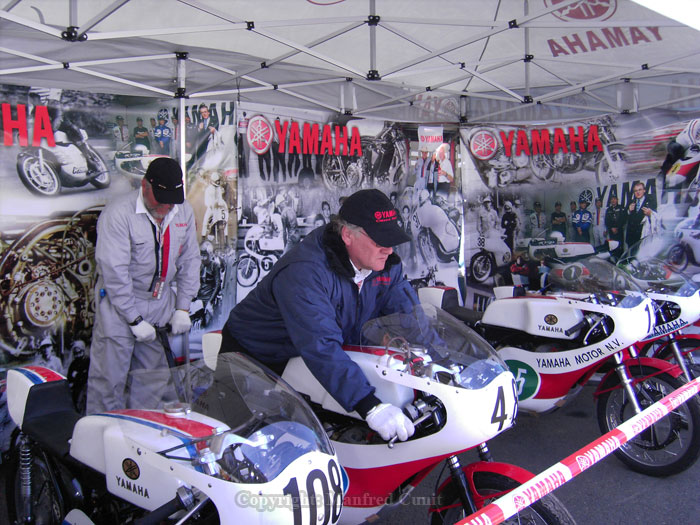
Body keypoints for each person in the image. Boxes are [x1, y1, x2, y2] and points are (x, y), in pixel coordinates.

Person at [221, 189, 416, 443]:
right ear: (347, 235)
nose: (388, 250)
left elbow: (410, 316)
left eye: (391, 240)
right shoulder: (305, 272)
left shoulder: (385, 265)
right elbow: (321, 344)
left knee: (314, 434)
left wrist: (441, 358)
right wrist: (370, 405)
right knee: (246, 442)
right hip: (254, 353)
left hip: (304, 352)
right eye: (380, 240)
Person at [86, 157, 200, 413]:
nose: (166, 207)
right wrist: (133, 319)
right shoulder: (118, 214)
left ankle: (139, 440)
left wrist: (183, 307)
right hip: (121, 303)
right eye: (161, 199)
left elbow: (190, 259)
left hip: (159, 303)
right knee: (108, 381)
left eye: (172, 199)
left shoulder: (182, 210)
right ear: (145, 185)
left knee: (152, 381)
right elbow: (115, 272)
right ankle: (101, 443)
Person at [626, 181, 657, 249]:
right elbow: (623, 217)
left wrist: (650, 214)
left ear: (644, 190)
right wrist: (629, 211)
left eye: (640, 190)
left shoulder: (651, 201)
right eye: (635, 191)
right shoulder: (631, 202)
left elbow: (656, 217)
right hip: (631, 237)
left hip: (643, 235)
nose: (638, 192)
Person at [605, 195, 626, 259]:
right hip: (611, 232)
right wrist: (611, 228)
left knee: (620, 246)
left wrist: (617, 228)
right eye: (612, 199)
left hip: (619, 231)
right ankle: (613, 261)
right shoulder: (608, 209)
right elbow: (607, 220)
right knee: (612, 247)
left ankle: (620, 261)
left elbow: (624, 219)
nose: (613, 200)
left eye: (614, 199)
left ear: (617, 200)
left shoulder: (621, 208)